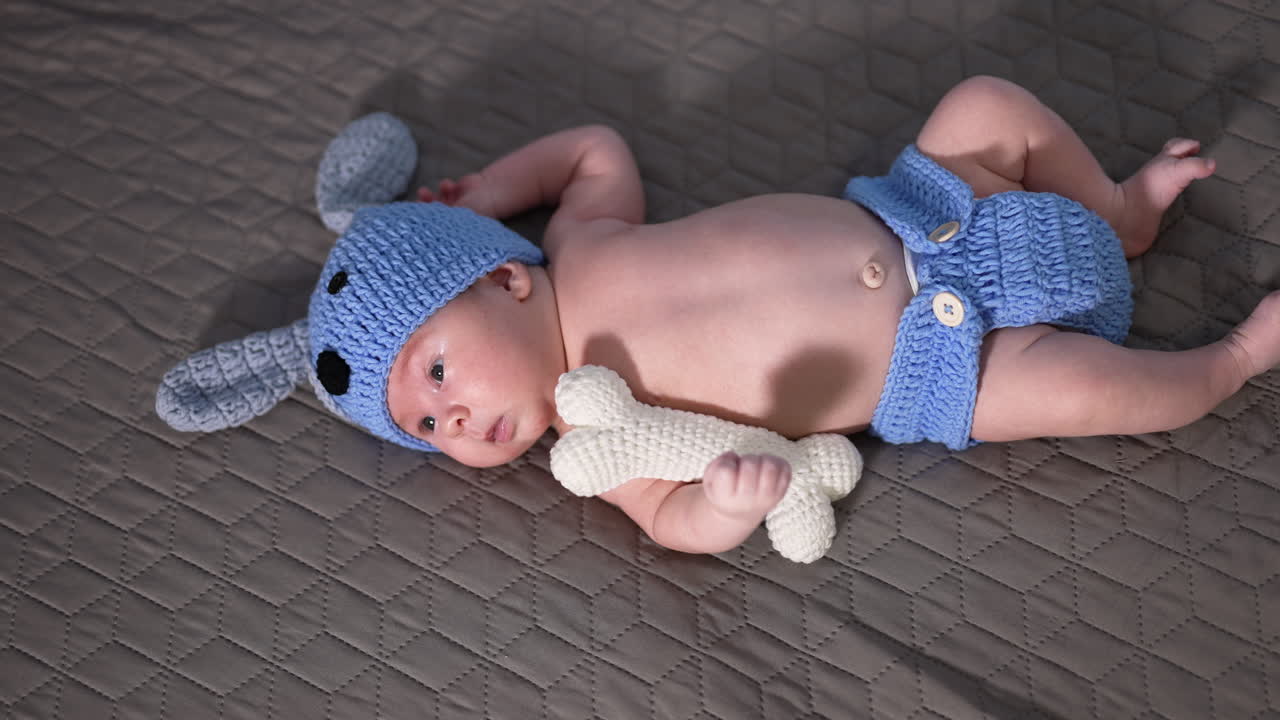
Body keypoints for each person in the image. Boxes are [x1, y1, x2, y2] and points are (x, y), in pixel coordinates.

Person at [306, 76, 1280, 557]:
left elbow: (592, 148)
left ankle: (1120, 212)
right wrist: (727, 505)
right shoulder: (596, 441)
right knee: (1090, 393)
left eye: (436, 372)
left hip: (920, 210)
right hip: (938, 367)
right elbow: (669, 522)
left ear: (500, 281)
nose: (450, 420)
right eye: (422, 425)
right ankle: (1233, 359)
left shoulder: (579, 239)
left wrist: (487, 194)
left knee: (985, 104)